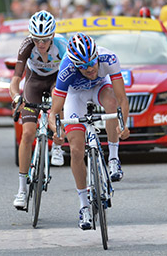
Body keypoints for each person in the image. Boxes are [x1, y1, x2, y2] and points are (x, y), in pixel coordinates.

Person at [49, 33, 129, 230]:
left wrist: (123, 124)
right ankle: (84, 205)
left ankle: (113, 159)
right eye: (83, 66)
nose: (90, 68)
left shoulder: (108, 58)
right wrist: (56, 130)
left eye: (92, 62)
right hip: (75, 96)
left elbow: (122, 99)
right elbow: (54, 112)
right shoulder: (66, 69)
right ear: (75, 65)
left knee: (111, 103)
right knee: (76, 150)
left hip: (100, 88)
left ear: (96, 55)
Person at [10, 10, 68, 210]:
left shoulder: (62, 46)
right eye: (36, 39)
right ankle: (21, 190)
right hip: (34, 82)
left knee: (57, 100)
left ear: (52, 36)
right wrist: (16, 96)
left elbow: (69, 77)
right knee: (27, 134)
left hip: (55, 80)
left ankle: (58, 145)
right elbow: (16, 79)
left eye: (44, 40)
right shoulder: (27, 45)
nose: (40, 44)